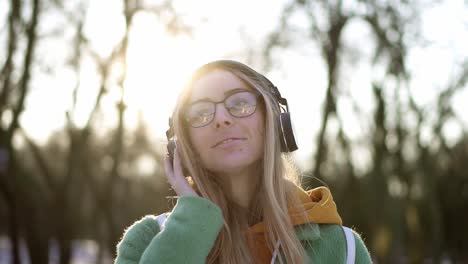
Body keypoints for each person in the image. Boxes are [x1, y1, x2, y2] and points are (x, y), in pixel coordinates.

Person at [114, 60, 372, 263]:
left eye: (239, 103)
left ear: (274, 123)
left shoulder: (344, 250)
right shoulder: (147, 240)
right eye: (201, 112)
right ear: (182, 143)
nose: (221, 118)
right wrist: (190, 224)